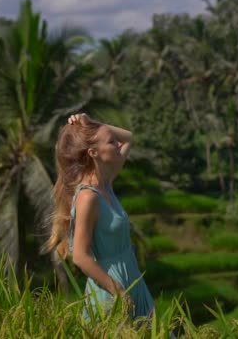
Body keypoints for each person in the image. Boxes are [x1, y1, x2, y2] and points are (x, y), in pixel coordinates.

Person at [42, 112, 155, 320]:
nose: (117, 145)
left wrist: (92, 124)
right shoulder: (88, 197)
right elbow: (80, 257)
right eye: (111, 142)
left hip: (132, 278)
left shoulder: (106, 182)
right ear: (94, 152)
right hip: (111, 287)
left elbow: (128, 137)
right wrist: (117, 290)